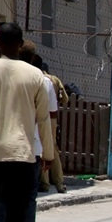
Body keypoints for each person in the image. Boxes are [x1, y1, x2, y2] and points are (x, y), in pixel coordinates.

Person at [0, 23, 54, 222]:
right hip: (20, 153)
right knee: (17, 210)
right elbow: (44, 120)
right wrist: (48, 154)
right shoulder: (35, 76)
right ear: (20, 44)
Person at [31, 54, 68, 194]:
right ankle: (58, 183)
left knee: (41, 148)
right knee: (51, 148)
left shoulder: (42, 80)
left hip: (37, 116)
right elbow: (63, 100)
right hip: (49, 117)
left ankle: (45, 183)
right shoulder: (53, 79)